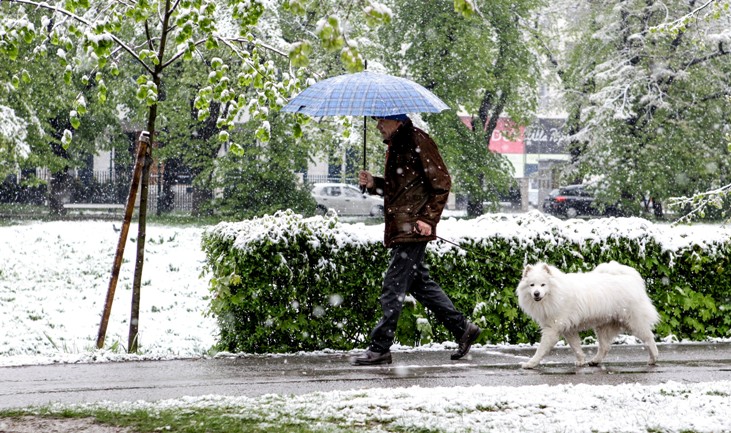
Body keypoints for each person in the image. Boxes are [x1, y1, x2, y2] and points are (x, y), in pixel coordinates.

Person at [349, 113, 481, 366]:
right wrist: (373, 183)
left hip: (413, 229)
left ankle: (380, 348)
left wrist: (428, 220)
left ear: (396, 121)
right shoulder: (399, 145)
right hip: (404, 227)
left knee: (393, 287)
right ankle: (463, 328)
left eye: (381, 121)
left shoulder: (418, 140)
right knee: (419, 284)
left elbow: (442, 183)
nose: (377, 126)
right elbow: (399, 190)